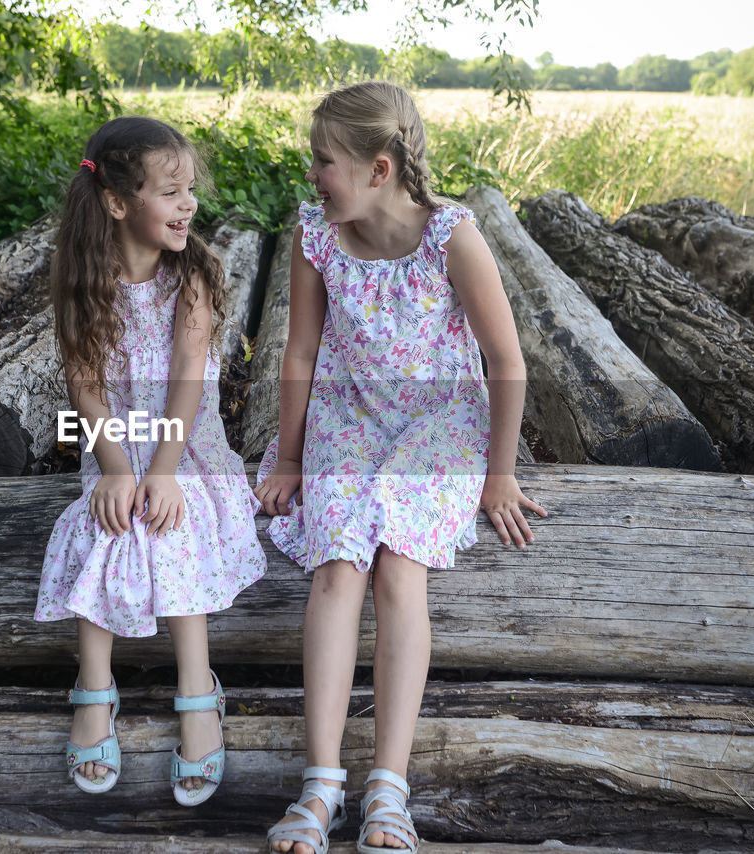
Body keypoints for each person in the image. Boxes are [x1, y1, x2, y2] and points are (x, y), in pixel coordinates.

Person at [256, 82, 547, 853]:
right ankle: (321, 787)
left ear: (378, 169)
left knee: (397, 570)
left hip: (438, 421)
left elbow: (505, 359)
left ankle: (388, 786)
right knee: (337, 567)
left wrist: (499, 472)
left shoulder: (451, 236)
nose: (313, 175)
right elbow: (302, 352)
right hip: (348, 417)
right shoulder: (316, 239)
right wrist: (288, 455)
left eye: (324, 161)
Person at [34, 116, 265, 807]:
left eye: (189, 189)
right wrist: (111, 466)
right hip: (115, 444)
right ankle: (95, 690)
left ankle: (197, 687)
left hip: (184, 446)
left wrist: (158, 470)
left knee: (171, 521)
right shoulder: (83, 277)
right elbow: (84, 386)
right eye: (170, 192)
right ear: (116, 202)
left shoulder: (191, 272)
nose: (188, 205)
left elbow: (188, 382)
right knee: (104, 523)